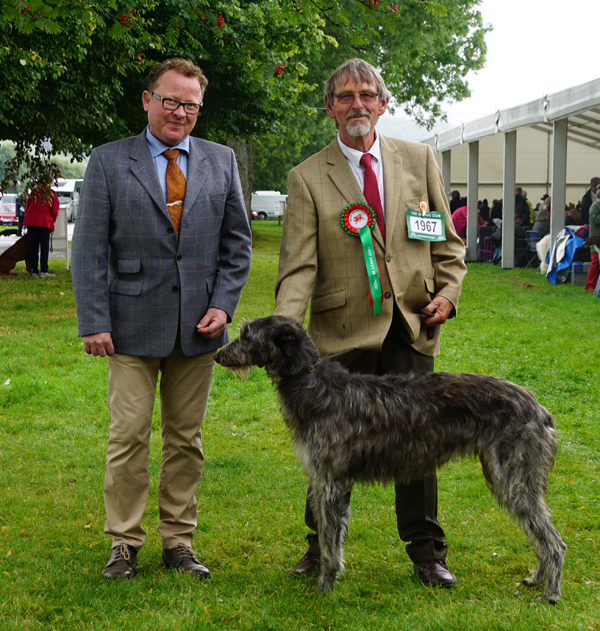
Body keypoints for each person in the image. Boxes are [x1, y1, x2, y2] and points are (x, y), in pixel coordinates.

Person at [273, 58, 466, 588]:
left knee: (418, 443)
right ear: (330, 107)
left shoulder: (420, 158)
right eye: (345, 96)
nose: (356, 104)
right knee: (330, 448)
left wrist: (447, 295)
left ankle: (427, 552)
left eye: (366, 95)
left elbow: (446, 245)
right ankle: (319, 548)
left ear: (383, 103)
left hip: (410, 327)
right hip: (338, 336)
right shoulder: (307, 176)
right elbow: (298, 269)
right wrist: (284, 336)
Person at [71, 58, 252, 580]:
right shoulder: (108, 161)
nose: (180, 112)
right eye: (170, 100)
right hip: (127, 324)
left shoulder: (222, 160)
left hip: (199, 327)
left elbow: (236, 245)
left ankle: (179, 540)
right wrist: (93, 321)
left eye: (190, 104)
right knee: (128, 435)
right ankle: (124, 541)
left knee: (185, 439)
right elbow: (89, 251)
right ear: (148, 100)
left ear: (200, 108)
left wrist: (223, 304)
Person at [24, 175, 59, 277]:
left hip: (31, 221)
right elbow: (54, 210)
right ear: (49, 183)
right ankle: (44, 270)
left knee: (33, 247)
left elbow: (27, 207)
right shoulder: (51, 193)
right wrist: (52, 221)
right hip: (44, 222)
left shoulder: (34, 192)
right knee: (44, 247)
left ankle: (34, 270)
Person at [585, 188, 600, 291]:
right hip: (596, 241)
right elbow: (595, 220)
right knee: (595, 262)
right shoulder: (594, 207)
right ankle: (590, 285)